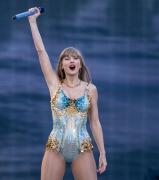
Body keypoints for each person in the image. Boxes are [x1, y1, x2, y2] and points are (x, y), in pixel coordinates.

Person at [28, 7, 107, 180]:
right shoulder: (54, 84)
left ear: (80, 64)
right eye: (67, 58)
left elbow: (95, 122)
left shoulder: (91, 89)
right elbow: (41, 51)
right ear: (62, 65)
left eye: (75, 58)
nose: (71, 60)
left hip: (83, 148)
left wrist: (102, 152)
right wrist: (33, 22)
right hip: (56, 146)